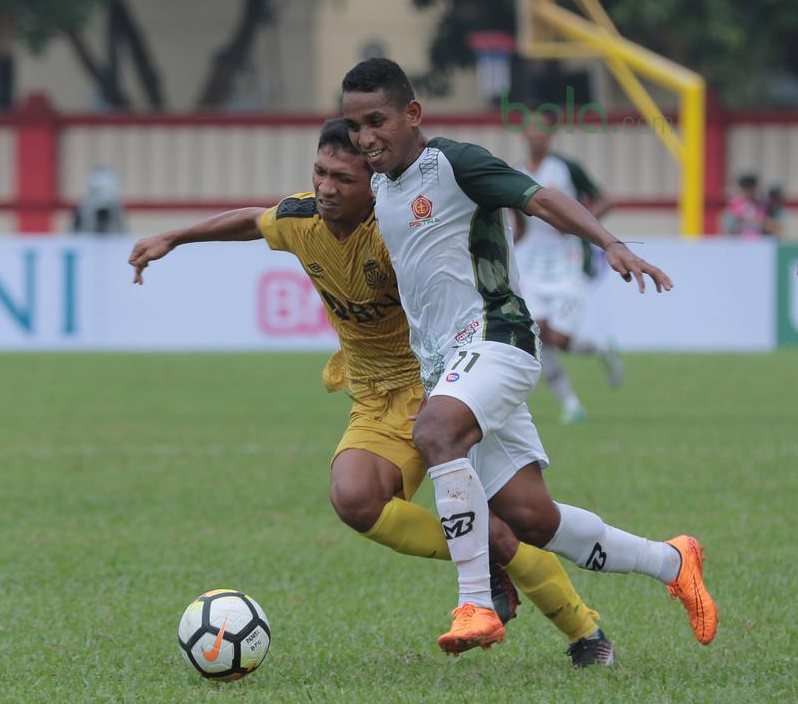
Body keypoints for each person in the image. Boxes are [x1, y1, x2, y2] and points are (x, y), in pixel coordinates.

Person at [130, 118, 616, 667]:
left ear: (375, 182)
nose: (326, 187)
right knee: (355, 499)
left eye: (342, 177)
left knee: (509, 523)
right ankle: (488, 561)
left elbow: (471, 240)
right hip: (373, 395)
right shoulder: (302, 219)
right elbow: (251, 221)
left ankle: (584, 630)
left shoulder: (399, 232)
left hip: (437, 385)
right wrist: (174, 237)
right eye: (319, 172)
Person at [340, 57, 716, 655]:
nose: (364, 137)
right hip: (449, 365)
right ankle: (672, 562)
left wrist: (611, 243)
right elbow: (309, 210)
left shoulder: (456, 163)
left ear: (412, 114)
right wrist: (181, 236)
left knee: (435, 431)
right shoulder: (379, 184)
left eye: (376, 121)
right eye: (355, 125)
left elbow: (540, 199)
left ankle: (476, 603)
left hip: (499, 339)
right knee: (533, 518)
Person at [515, 116, 623, 423]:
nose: (536, 133)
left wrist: (578, 222)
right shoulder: (517, 171)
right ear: (524, 133)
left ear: (551, 133)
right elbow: (520, 222)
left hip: (567, 262)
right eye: (530, 127)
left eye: (542, 127)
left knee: (560, 338)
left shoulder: (566, 168)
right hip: (531, 265)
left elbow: (605, 200)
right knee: (538, 334)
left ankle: (601, 348)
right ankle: (571, 405)